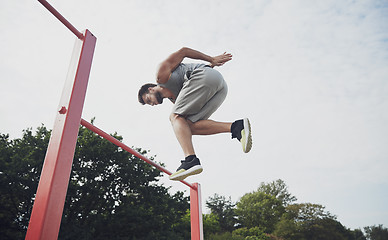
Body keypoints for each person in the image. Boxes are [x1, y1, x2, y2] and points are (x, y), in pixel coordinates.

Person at [138, 47, 252, 181]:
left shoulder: (161, 75)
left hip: (206, 75)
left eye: (148, 100)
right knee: (188, 126)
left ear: (150, 89)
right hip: (219, 89)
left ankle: (190, 159)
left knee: (175, 117)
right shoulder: (175, 101)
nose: (152, 104)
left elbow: (183, 51)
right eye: (149, 104)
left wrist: (211, 60)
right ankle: (236, 127)